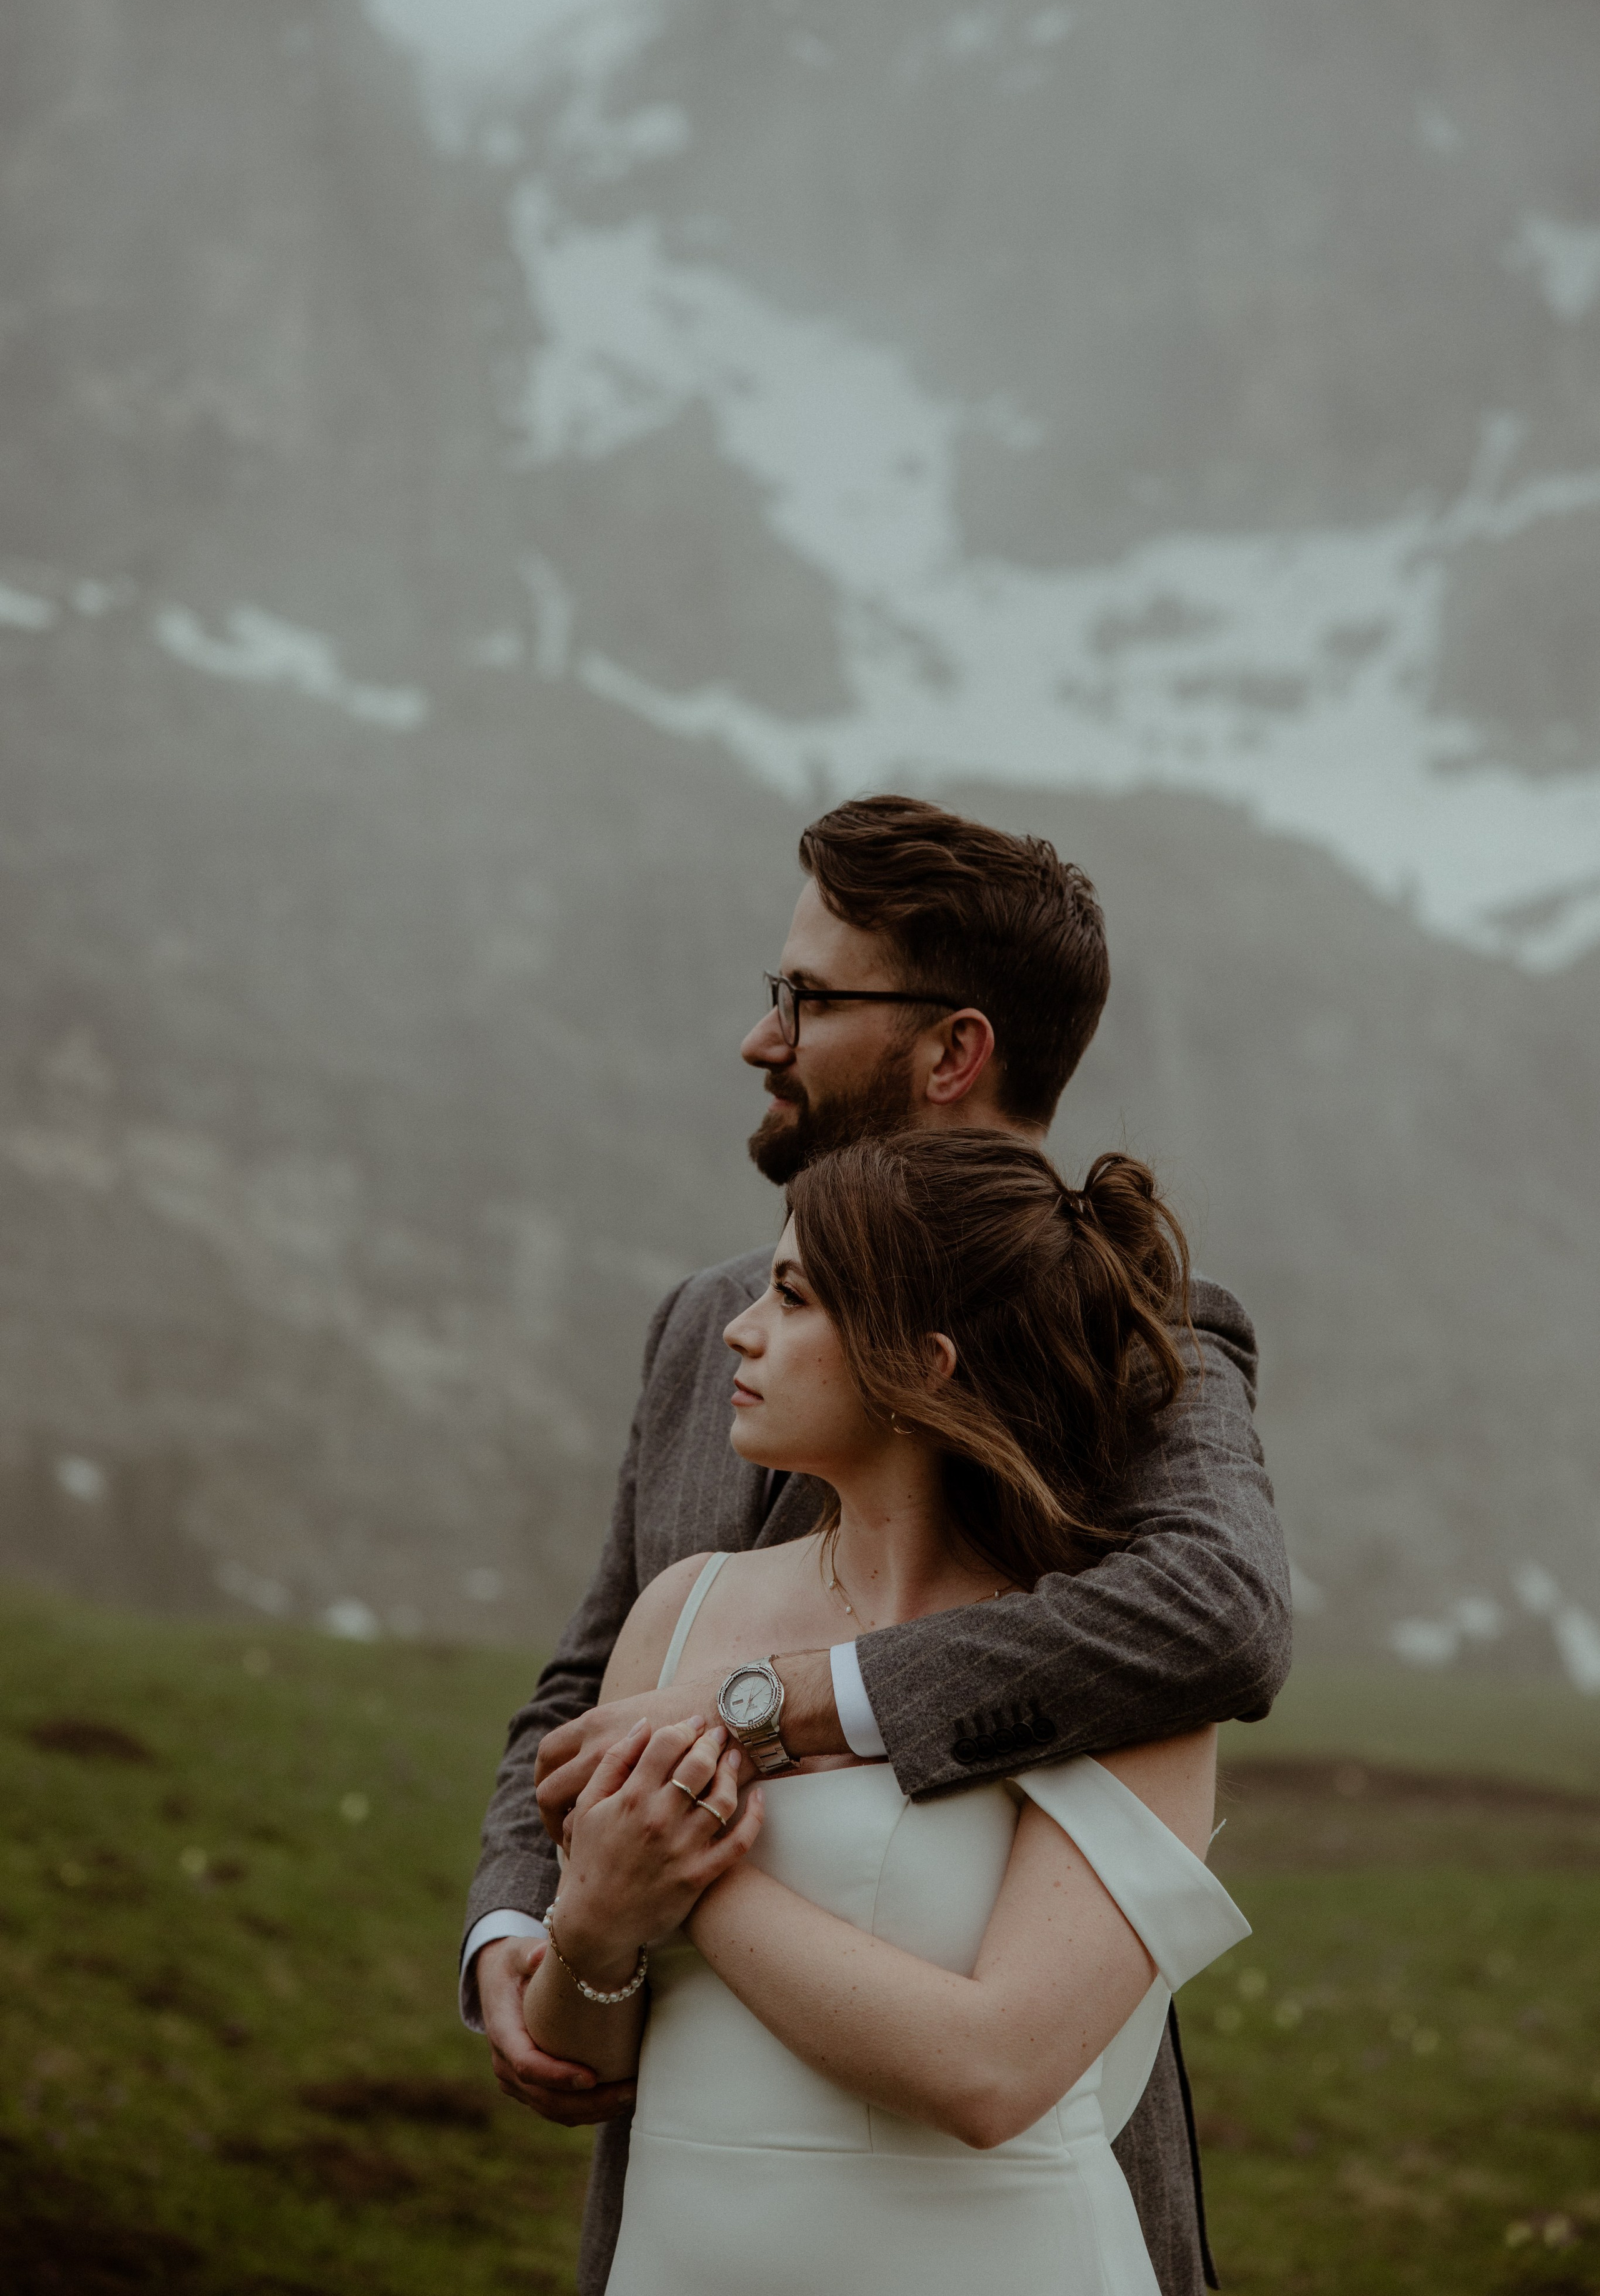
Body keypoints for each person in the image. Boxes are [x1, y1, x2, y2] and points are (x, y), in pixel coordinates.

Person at [462, 795, 1291, 2296]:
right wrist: (535, 1921)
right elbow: (585, 1687)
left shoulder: (1133, 1333)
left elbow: (1218, 1610)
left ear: (951, 1048)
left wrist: (768, 1712)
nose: (759, 1037)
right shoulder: (701, 1320)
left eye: (804, 996)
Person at [521, 1129, 1251, 2296]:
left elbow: (993, 2071)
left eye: (793, 1296)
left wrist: (689, 1878)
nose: (739, 1328)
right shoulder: (682, 1609)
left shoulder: (1114, 1675)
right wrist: (597, 1925)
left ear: (924, 1363)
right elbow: (584, 2053)